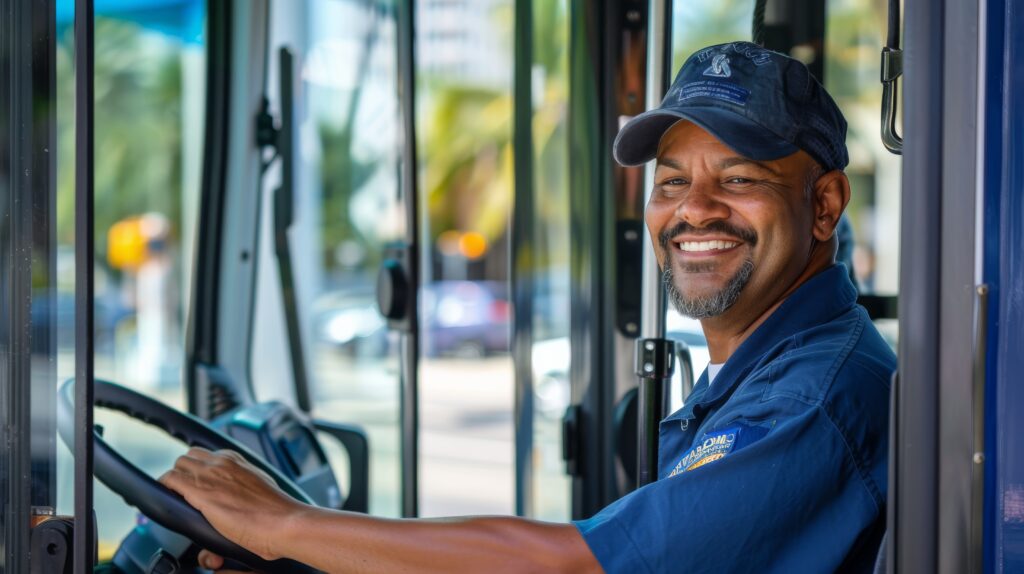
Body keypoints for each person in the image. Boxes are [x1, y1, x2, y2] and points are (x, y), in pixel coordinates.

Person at [160, 41, 895, 573]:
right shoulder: (772, 367)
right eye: (671, 184)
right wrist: (303, 549)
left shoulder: (809, 399)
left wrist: (282, 522)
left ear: (824, 205)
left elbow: (579, 566)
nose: (693, 211)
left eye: (737, 179)